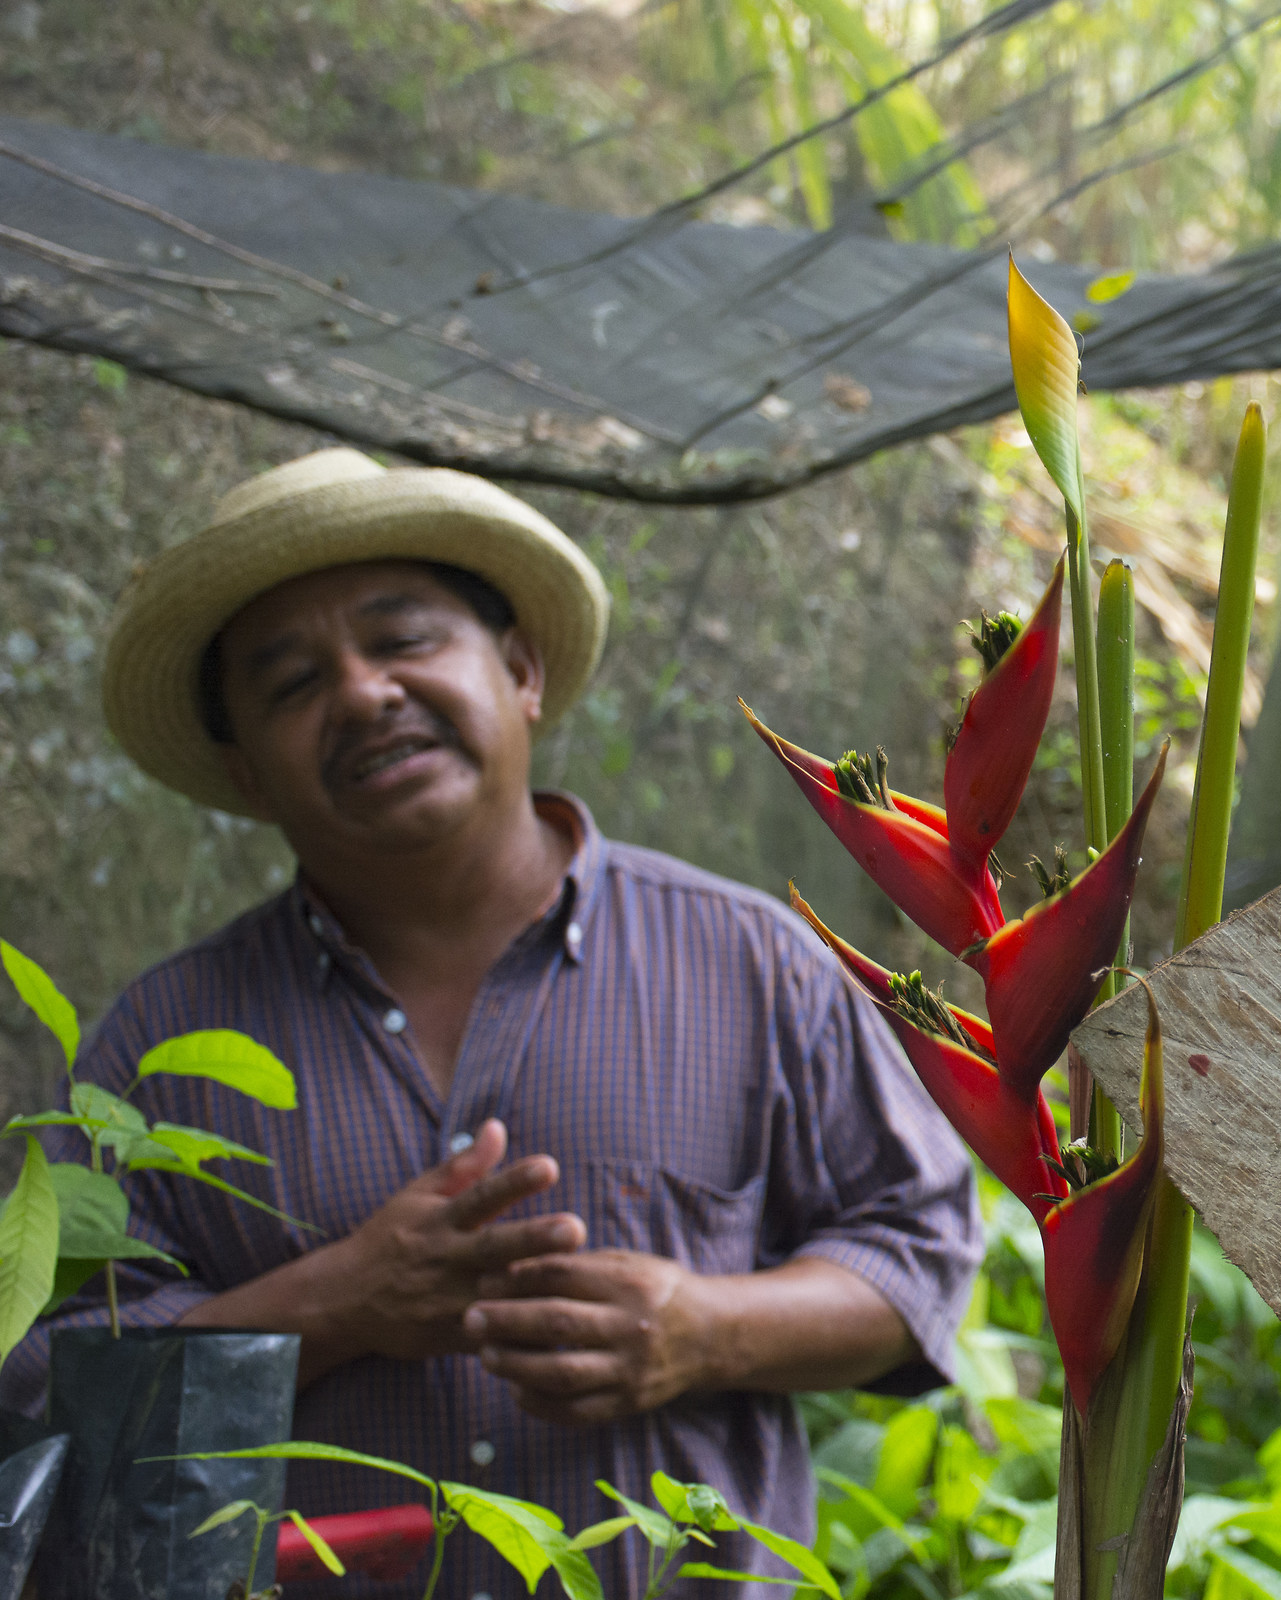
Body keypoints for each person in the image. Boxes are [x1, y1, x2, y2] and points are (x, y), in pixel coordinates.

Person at [3, 448, 980, 1596]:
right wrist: (336, 1305)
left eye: (404, 638)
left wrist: (706, 1326)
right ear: (246, 772)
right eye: (291, 683)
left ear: (519, 668)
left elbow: (917, 1255)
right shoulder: (161, 1047)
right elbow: (42, 1383)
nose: (364, 692)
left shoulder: (751, 961)